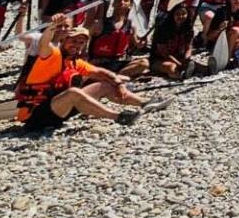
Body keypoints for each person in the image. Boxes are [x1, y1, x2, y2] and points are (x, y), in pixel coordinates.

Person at [15, 14, 145, 133]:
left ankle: (145, 103)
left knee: (104, 85)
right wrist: (52, 26)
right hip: (36, 116)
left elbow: (100, 72)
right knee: (73, 92)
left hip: (59, 110)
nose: (76, 45)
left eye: (81, 43)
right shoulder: (52, 54)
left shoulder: (75, 62)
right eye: (73, 41)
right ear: (63, 41)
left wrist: (118, 83)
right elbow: (44, 43)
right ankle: (119, 117)